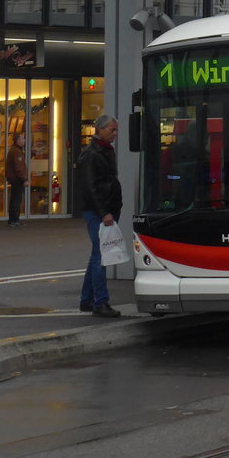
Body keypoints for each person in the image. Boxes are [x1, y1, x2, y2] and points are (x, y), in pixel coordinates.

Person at [77, 114, 123, 318]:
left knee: (98, 253)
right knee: (100, 256)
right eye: (112, 130)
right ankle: (100, 301)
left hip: (106, 208)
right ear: (100, 129)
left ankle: (87, 299)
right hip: (100, 211)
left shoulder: (104, 150)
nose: (114, 134)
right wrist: (104, 212)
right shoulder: (92, 154)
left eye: (115, 130)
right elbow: (90, 187)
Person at [6, 132, 28, 226]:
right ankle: (15, 220)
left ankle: (12, 219)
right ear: (18, 140)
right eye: (23, 139)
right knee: (16, 199)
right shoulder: (17, 152)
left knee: (14, 199)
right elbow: (19, 167)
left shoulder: (14, 150)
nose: (24, 140)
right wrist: (24, 179)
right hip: (16, 179)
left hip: (14, 178)